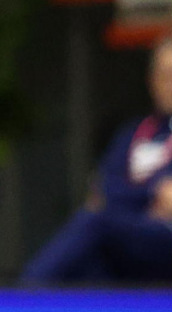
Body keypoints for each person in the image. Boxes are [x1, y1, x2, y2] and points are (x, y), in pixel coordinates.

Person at [23, 37, 172, 283]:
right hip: (126, 229)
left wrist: (122, 199)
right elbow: (103, 189)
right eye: (163, 75)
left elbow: (109, 199)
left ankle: (22, 297)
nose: (168, 84)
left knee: (94, 224)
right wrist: (152, 193)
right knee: (91, 257)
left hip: (162, 237)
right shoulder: (133, 132)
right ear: (151, 81)